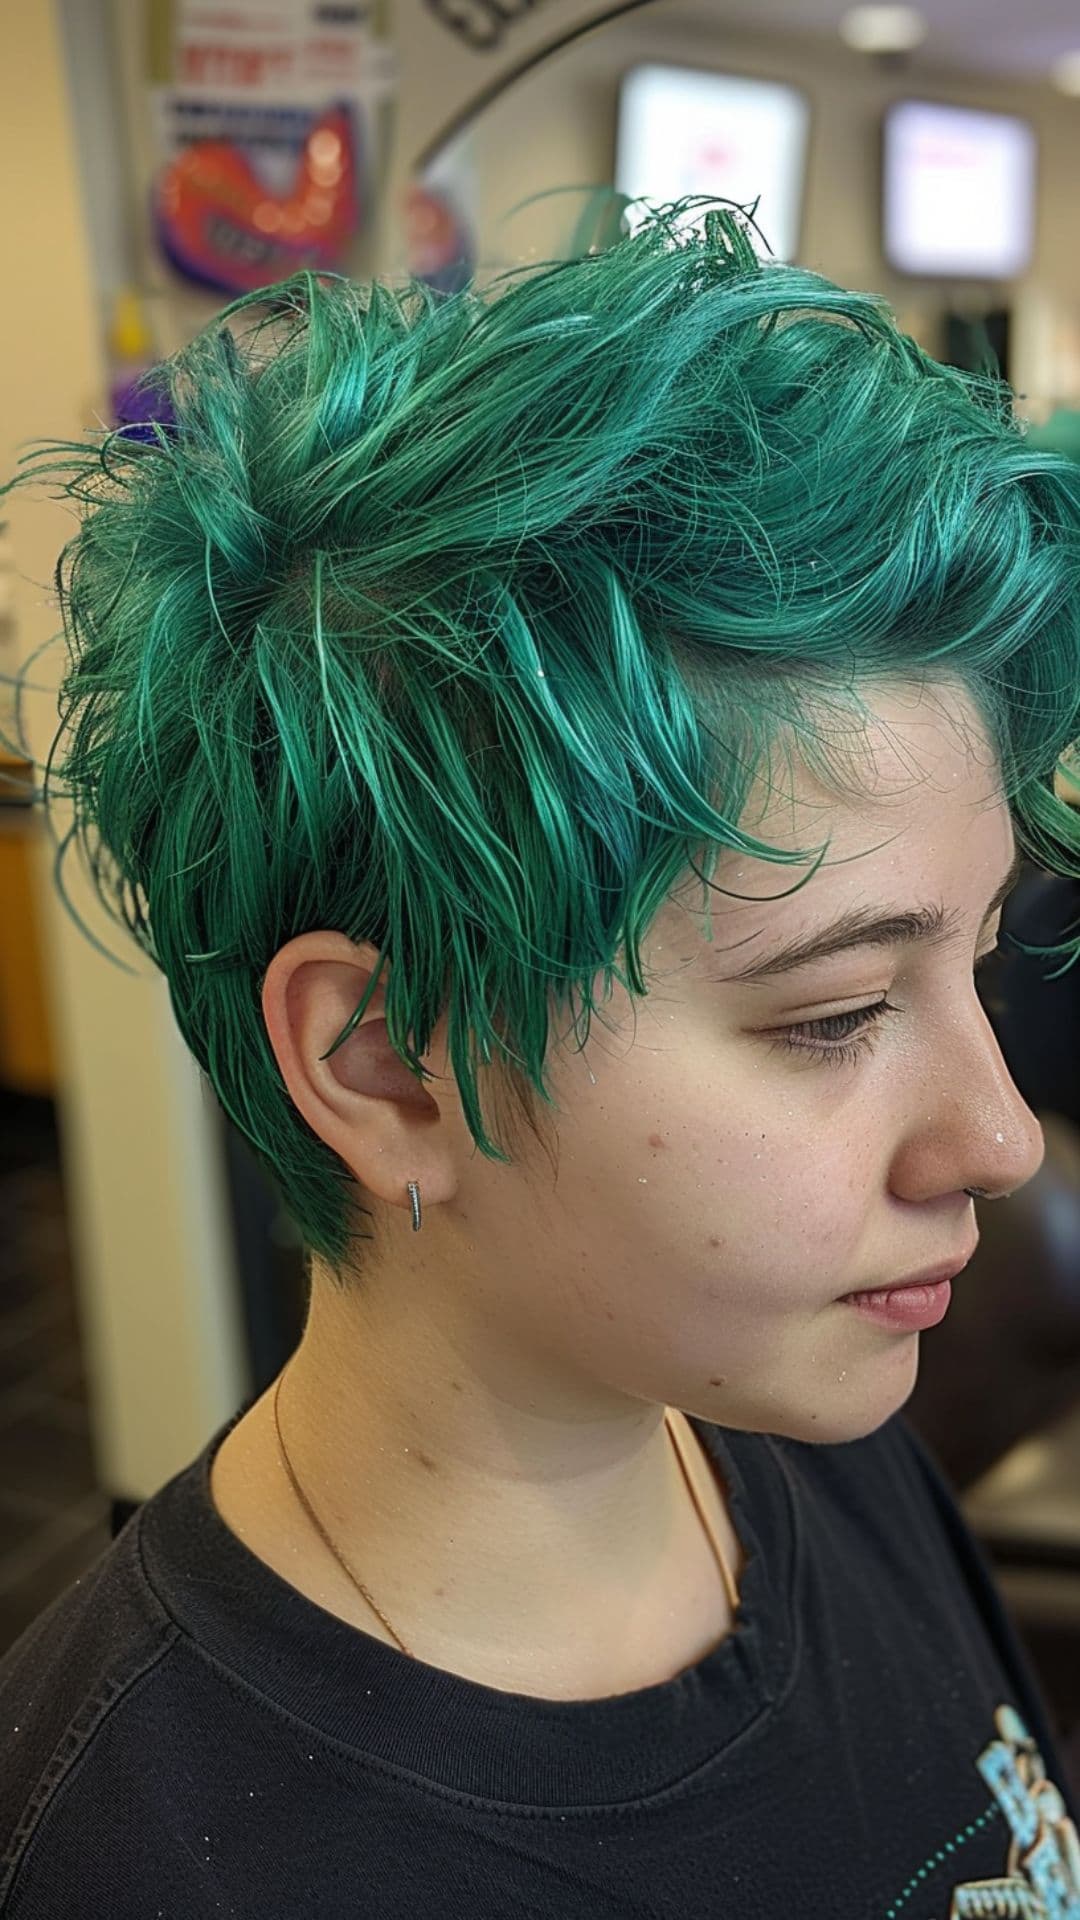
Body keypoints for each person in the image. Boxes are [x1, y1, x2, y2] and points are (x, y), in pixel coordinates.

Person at [2, 197, 1080, 1917]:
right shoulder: (166, 1865)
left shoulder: (813, 1427)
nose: (1002, 1139)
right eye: (829, 1016)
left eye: (978, 961)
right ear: (383, 1066)